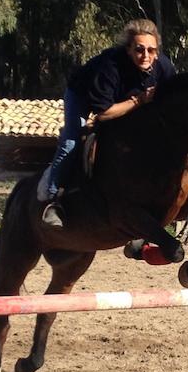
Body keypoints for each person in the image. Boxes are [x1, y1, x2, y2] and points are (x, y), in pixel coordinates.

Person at [39, 19, 176, 227]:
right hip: (82, 96)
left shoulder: (164, 67)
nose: (145, 56)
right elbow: (103, 113)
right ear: (128, 49)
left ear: (157, 52)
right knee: (71, 141)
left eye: (151, 50)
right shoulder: (110, 66)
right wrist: (139, 100)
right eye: (139, 50)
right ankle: (52, 200)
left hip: (124, 100)